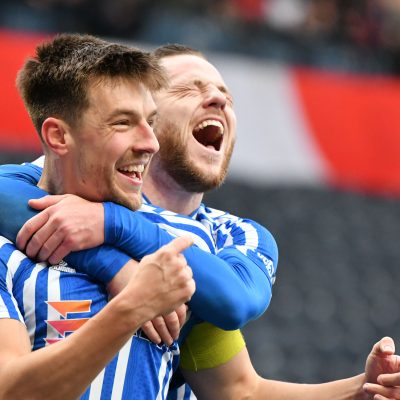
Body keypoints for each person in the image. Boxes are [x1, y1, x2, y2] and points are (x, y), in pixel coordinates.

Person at [0, 41, 399, 399]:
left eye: (227, 95)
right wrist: (125, 280)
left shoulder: (200, 251)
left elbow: (239, 389)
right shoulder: (19, 215)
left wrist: (361, 391)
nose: (218, 100)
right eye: (189, 89)